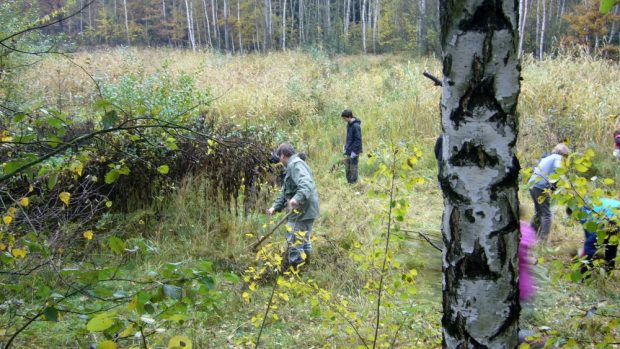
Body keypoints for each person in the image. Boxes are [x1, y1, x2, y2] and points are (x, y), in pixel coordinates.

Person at [267, 143, 320, 269]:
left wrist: (296, 198)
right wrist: (275, 207)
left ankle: (295, 273)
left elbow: (306, 183)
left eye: (279, 157)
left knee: (295, 243)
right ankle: (306, 268)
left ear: (283, 155)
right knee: (304, 240)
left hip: (301, 211)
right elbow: (285, 191)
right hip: (307, 210)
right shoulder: (293, 165)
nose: (279, 160)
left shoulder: (295, 165)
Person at [528, 143, 570, 241]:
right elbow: (557, 170)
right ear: (564, 154)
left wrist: (554, 187)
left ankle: (528, 237)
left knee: (538, 213)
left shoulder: (548, 158)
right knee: (547, 214)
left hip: (532, 185)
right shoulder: (558, 158)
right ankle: (542, 242)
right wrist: (565, 184)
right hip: (541, 187)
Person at [568, 198, 619, 275]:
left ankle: (584, 276)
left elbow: (590, 237)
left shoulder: (582, 213)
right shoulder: (591, 202)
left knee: (589, 247)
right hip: (616, 219)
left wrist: (583, 251)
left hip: (611, 220)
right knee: (611, 246)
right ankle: (608, 272)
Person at [341, 109, 363, 184]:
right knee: (347, 168)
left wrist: (354, 152)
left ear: (349, 117)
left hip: (354, 151)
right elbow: (349, 138)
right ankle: (349, 183)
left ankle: (353, 184)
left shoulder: (356, 126)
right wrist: (345, 146)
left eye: (345, 118)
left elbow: (358, 140)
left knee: (353, 168)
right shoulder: (349, 125)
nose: (344, 120)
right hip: (348, 150)